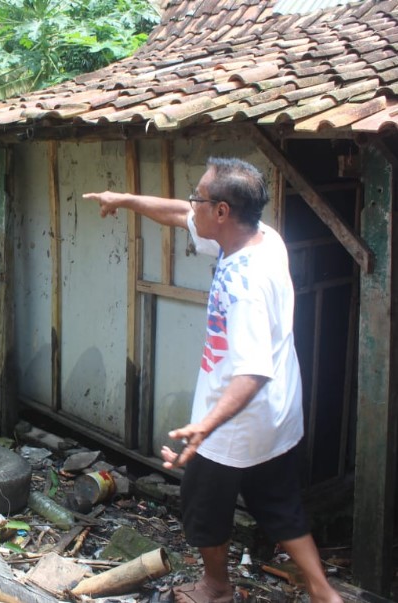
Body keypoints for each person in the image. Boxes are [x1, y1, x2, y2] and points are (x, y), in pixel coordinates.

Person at [83, 157, 343, 603]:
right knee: (278, 504)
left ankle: (217, 587)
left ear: (222, 212)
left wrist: (205, 427)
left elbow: (252, 371)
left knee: (202, 508)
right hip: (276, 417)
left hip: (232, 423)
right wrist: (124, 199)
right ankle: (323, 592)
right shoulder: (261, 239)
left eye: (198, 197)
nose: (190, 204)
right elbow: (176, 213)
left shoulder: (245, 284)